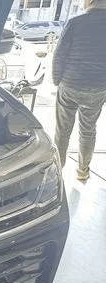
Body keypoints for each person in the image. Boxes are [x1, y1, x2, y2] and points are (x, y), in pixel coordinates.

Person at [53, 0, 106, 181]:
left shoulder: (75, 22)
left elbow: (59, 54)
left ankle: (58, 172)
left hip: (70, 84)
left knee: (62, 131)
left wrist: (57, 80)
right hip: (97, 87)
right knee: (88, 131)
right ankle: (82, 171)